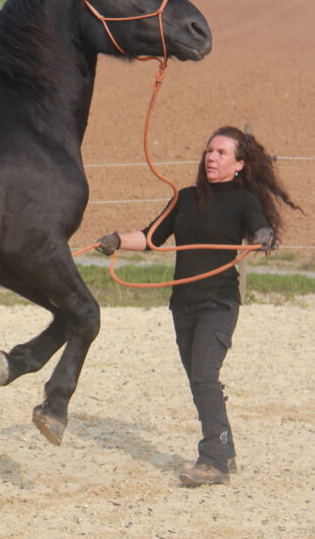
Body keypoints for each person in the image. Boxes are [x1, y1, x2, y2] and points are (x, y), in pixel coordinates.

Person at [95, 126, 302, 487]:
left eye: (222, 152)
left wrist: (264, 236)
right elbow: (149, 237)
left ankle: (213, 461)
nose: (212, 157)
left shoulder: (244, 200)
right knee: (199, 380)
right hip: (183, 304)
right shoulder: (185, 198)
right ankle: (227, 450)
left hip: (218, 303)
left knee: (205, 376)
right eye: (209, 150)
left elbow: (259, 229)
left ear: (239, 164)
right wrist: (115, 239)